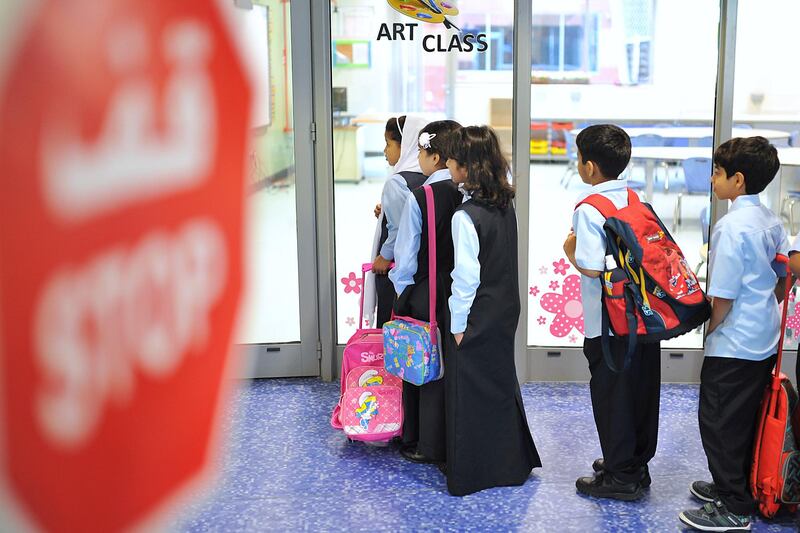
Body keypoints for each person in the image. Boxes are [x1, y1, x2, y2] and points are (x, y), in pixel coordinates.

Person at [679, 137, 788, 532]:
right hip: (763, 336)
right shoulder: (771, 220)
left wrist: (709, 329)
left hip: (734, 343)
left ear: (737, 180)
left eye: (717, 172)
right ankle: (733, 485)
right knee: (743, 417)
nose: (711, 179)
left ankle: (735, 505)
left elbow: (721, 296)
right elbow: (783, 276)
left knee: (719, 422)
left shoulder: (730, 228)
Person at [562, 124, 660, 501]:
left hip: (608, 322)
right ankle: (636, 464)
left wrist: (568, 248)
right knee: (641, 390)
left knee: (611, 394)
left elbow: (589, 265)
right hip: (644, 315)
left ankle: (620, 477)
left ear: (588, 167)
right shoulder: (636, 198)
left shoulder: (590, 208)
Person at [443, 125, 541, 496]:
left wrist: (457, 324)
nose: (448, 163)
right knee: (500, 385)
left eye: (452, 157)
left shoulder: (464, 216)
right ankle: (510, 463)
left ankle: (474, 472)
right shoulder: (503, 204)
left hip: (478, 313)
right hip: (505, 307)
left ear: (465, 165)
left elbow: (465, 278)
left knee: (469, 392)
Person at [389, 119, 462, 465]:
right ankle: (452, 438)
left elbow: (405, 256)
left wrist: (402, 294)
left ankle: (422, 442)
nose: (417, 156)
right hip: (462, 292)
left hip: (425, 292)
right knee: (452, 366)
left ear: (435, 157)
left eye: (420, 150)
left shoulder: (422, 197)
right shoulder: (470, 191)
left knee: (422, 365)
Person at [364, 115, 428, 327]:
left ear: (406, 145)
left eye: (388, 143)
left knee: (391, 323)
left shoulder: (397, 182)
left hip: (397, 268)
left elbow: (400, 228)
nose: (385, 150)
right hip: (422, 269)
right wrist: (387, 212)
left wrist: (384, 256)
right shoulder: (431, 176)